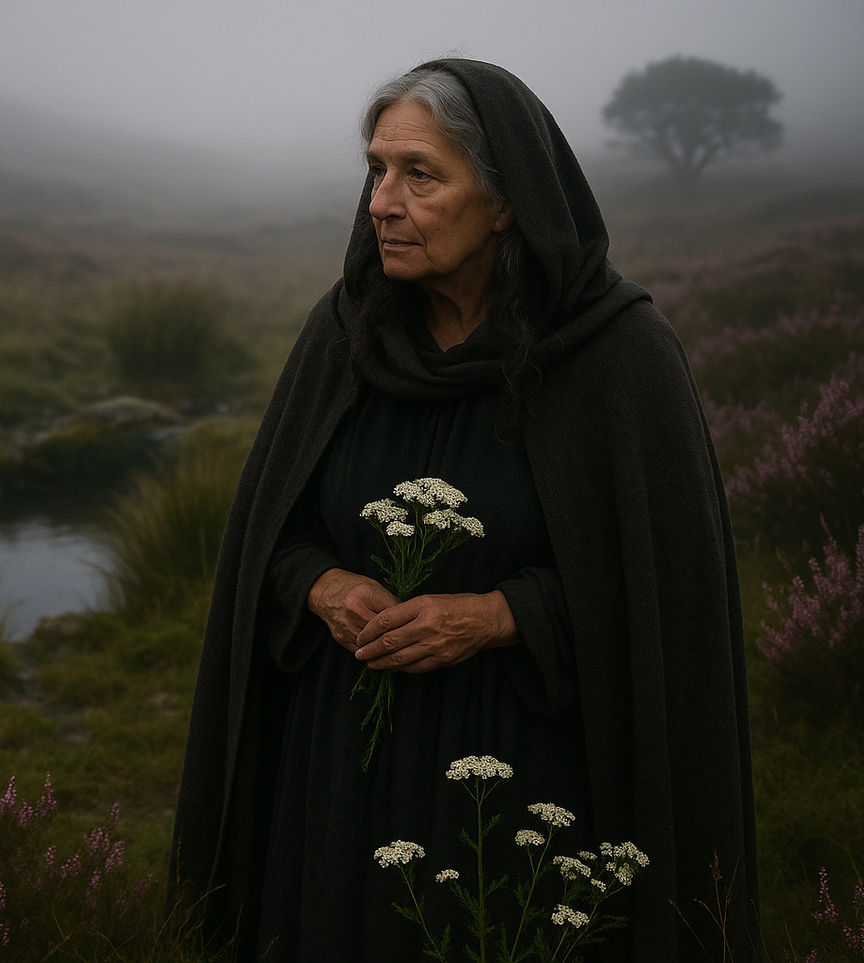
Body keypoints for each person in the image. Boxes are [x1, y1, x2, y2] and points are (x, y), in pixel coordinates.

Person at [171, 59, 760, 962]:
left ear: (506, 200)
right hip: (338, 779)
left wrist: (498, 614)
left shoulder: (618, 356)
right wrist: (321, 584)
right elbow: (270, 534)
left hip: (523, 780)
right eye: (375, 170)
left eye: (420, 174)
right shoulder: (346, 332)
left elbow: (661, 595)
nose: (380, 203)